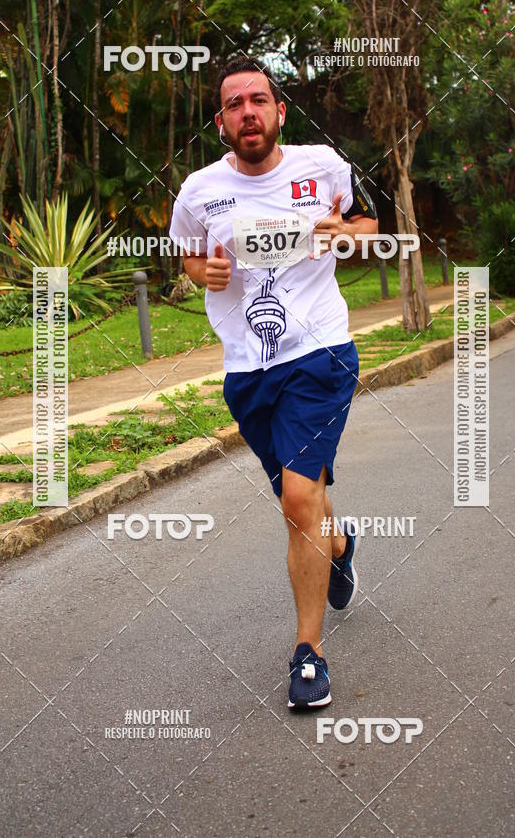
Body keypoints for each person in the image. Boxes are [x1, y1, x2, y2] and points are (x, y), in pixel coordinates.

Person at [170, 57, 379, 708]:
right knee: (304, 502)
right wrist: (200, 272)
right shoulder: (199, 190)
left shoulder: (322, 167)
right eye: (235, 105)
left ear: (280, 110)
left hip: (320, 355)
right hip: (247, 372)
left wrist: (341, 233)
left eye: (259, 100)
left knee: (295, 501)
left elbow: (375, 232)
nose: (249, 112)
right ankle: (338, 545)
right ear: (221, 122)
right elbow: (187, 252)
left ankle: (308, 655)